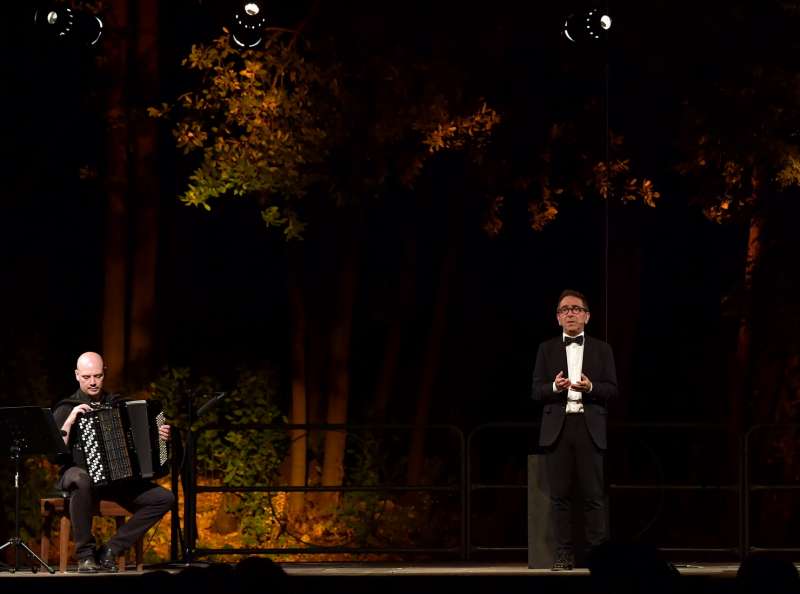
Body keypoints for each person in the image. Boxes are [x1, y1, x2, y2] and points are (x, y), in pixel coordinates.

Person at [52, 352, 175, 572]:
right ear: (77, 376)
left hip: (117, 481)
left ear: (104, 374)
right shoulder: (65, 407)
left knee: (163, 498)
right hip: (76, 474)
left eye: (97, 376)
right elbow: (55, 454)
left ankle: (111, 549)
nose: (92, 382)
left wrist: (160, 436)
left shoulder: (116, 404)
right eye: (87, 376)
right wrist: (70, 420)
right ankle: (85, 555)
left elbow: (141, 439)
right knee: (81, 478)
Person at [531, 289, 618, 570]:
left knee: (593, 496)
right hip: (559, 427)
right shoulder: (546, 349)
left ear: (587, 316)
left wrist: (590, 387)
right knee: (560, 497)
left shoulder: (602, 349)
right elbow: (536, 390)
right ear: (558, 318)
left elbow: (612, 390)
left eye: (576, 309)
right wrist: (556, 386)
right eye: (564, 309)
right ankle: (563, 554)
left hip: (589, 426)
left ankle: (598, 556)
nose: (570, 313)